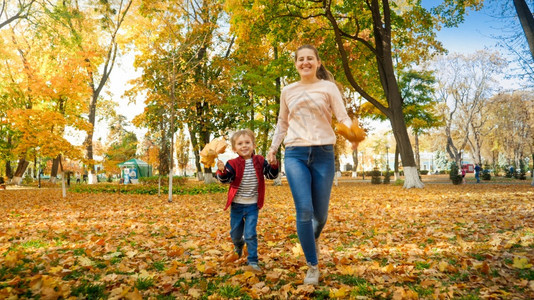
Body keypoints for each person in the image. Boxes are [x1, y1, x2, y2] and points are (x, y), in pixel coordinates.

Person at [266, 45, 358, 285]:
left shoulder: (328, 87)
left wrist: (352, 134)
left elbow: (342, 116)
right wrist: (273, 147)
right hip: (295, 153)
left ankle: (310, 238)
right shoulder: (288, 90)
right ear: (296, 64)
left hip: (324, 154)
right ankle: (312, 266)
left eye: (309, 59)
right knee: (304, 211)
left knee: (321, 215)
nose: (305, 62)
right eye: (300, 59)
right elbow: (282, 123)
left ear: (318, 62)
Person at [216, 129, 279, 272]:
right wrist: (222, 171)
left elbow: (270, 175)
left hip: (252, 205)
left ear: (253, 145)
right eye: (240, 144)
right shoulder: (232, 163)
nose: (244, 146)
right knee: (235, 234)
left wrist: (274, 164)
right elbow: (227, 180)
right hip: (237, 205)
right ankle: (238, 245)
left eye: (247, 142)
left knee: (250, 233)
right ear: (234, 148)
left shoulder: (260, 160)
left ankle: (253, 261)